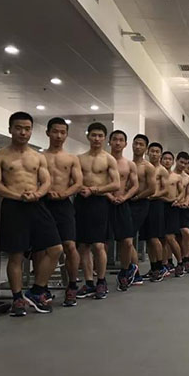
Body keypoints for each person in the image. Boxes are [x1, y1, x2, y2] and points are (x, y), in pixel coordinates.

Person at [0, 112, 63, 316]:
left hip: (36, 204)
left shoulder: (37, 156)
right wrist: (18, 196)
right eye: (19, 128)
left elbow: (46, 181)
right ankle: (17, 299)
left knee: (55, 248)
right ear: (10, 129)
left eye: (27, 129)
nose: (23, 132)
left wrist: (37, 194)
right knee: (16, 255)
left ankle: (37, 291)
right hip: (14, 206)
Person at [74, 122, 120, 300]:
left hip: (100, 202)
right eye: (94, 135)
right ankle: (89, 282)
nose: (97, 139)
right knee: (83, 245)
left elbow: (116, 184)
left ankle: (101, 281)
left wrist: (94, 190)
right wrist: (80, 188)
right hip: (81, 202)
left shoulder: (109, 159)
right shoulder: (79, 158)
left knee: (99, 245)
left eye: (100, 136)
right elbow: (73, 180)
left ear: (104, 139)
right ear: (88, 136)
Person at [42, 117, 83, 306]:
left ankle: (72, 286)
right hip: (43, 203)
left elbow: (78, 183)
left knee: (70, 246)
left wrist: (63, 194)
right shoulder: (40, 157)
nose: (59, 136)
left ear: (66, 135)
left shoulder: (72, 158)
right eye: (55, 131)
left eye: (62, 132)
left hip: (64, 204)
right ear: (48, 132)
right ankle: (42, 287)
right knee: (42, 248)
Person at [107, 130, 139, 292]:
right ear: (110, 142)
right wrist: (108, 196)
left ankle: (125, 271)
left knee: (127, 242)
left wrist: (125, 197)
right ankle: (98, 279)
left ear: (126, 144)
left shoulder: (129, 164)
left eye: (121, 140)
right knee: (101, 243)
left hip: (122, 204)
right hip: (105, 203)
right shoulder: (104, 161)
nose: (118, 143)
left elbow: (135, 185)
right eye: (115, 139)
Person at [130, 134, 155, 285]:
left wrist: (138, 197)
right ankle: (133, 270)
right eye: (136, 143)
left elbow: (152, 189)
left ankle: (136, 272)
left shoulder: (148, 167)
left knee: (128, 238)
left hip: (141, 203)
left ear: (146, 148)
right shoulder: (128, 163)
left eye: (141, 144)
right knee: (127, 239)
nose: (138, 146)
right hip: (127, 202)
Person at [144, 142, 168, 282]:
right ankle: (153, 267)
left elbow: (165, 190)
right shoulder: (145, 167)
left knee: (155, 237)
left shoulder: (162, 170)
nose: (154, 154)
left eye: (157, 151)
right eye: (152, 151)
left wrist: (153, 195)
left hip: (156, 204)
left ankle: (160, 267)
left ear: (160, 154)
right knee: (148, 238)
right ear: (148, 152)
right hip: (144, 203)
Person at [159, 151, 183, 276]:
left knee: (170, 237)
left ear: (173, 162)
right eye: (165, 159)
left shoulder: (176, 177)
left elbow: (182, 191)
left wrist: (177, 200)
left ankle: (180, 262)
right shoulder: (157, 174)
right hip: (160, 205)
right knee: (161, 238)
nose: (167, 161)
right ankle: (164, 264)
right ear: (161, 160)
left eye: (169, 159)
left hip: (172, 207)